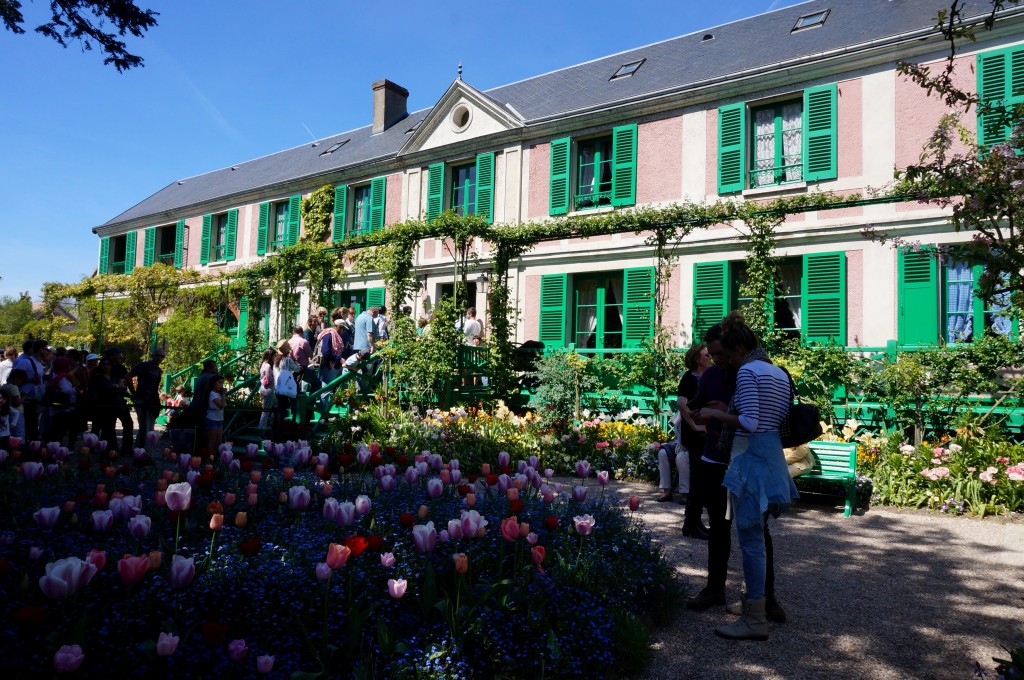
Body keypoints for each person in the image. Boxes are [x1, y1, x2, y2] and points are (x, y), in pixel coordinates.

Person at [697, 313, 798, 641]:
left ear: (739, 348)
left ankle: (754, 618)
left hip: (751, 457)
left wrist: (715, 413)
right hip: (769, 456)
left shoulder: (748, 371)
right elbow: (774, 420)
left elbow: (751, 422)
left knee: (752, 541)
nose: (724, 361)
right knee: (756, 538)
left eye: (726, 354)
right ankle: (755, 604)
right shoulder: (778, 372)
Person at [127, 348, 166, 446]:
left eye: (162, 356)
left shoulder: (158, 370)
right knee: (144, 427)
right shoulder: (143, 366)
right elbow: (128, 376)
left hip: (152, 400)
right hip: (142, 399)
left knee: (150, 427)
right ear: (153, 355)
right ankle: (140, 450)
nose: (159, 358)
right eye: (157, 355)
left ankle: (143, 450)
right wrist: (134, 393)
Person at [12, 339, 47, 441]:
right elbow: (13, 378)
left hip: (35, 398)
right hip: (26, 398)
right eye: (45, 349)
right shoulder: (26, 362)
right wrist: (30, 380)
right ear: (40, 350)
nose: (47, 351)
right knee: (28, 425)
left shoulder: (39, 362)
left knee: (33, 425)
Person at [105, 347, 133, 452]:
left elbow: (124, 382)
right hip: (109, 400)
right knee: (110, 425)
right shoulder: (105, 368)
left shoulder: (121, 368)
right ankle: (113, 448)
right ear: (112, 355)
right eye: (118, 354)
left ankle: (125, 448)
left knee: (128, 423)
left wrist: (129, 394)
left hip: (119, 399)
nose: (120, 356)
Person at [44, 356, 77, 446]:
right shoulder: (62, 377)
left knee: (56, 430)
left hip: (55, 407)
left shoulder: (53, 374)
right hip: (62, 407)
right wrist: (74, 389)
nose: (69, 367)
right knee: (60, 430)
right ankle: (57, 450)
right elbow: (66, 390)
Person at [87, 358, 119, 447]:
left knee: (110, 428)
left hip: (112, 405)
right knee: (96, 427)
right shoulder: (98, 377)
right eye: (104, 364)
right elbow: (100, 389)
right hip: (100, 405)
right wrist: (114, 387)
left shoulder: (114, 377)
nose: (106, 366)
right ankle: (92, 446)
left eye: (108, 364)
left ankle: (109, 447)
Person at [0, 368, 26, 444]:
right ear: (17, 378)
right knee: (19, 432)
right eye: (21, 380)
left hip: (8, 412)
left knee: (11, 433)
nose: (21, 383)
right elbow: (17, 402)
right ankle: (19, 449)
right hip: (18, 412)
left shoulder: (4, 387)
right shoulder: (14, 387)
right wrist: (24, 397)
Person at [257, 348, 277, 434]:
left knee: (275, 405)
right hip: (268, 389)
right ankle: (262, 430)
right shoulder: (268, 366)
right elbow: (269, 379)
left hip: (263, 388)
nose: (275, 357)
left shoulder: (263, 364)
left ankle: (270, 424)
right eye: (274, 355)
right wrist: (275, 376)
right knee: (266, 411)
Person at [205, 375, 226, 453]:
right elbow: (221, 405)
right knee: (212, 441)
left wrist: (222, 395)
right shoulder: (212, 394)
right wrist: (223, 394)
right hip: (212, 419)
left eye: (222, 383)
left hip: (220, 419)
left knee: (219, 442)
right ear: (214, 383)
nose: (221, 385)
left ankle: (214, 458)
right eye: (219, 383)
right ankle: (208, 459)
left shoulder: (218, 394)